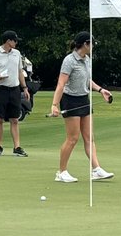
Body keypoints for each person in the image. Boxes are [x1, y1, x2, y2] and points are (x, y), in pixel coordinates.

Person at [47, 32, 115, 183]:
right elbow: (61, 84)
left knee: (89, 138)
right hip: (70, 101)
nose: (93, 46)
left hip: (84, 99)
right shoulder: (69, 60)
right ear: (85, 44)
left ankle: (96, 169)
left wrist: (100, 90)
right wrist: (54, 104)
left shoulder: (87, 59)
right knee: (73, 138)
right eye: (92, 43)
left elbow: (87, 80)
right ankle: (61, 172)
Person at [0, 30, 30, 157]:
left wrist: (25, 88)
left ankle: (17, 147)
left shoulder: (17, 54)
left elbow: (20, 72)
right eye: (15, 40)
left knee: (14, 119)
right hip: (0, 89)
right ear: (8, 41)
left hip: (14, 89)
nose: (16, 43)